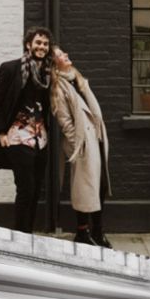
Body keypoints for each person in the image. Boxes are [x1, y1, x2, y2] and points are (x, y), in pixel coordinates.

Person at [0, 27, 54, 233]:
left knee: (35, 190)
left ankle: (27, 234)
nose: (42, 47)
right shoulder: (10, 68)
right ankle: (21, 236)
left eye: (45, 44)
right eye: (38, 42)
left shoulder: (47, 73)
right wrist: (1, 132)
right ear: (28, 45)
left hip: (41, 139)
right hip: (17, 137)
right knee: (26, 189)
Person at [52, 46, 112, 247]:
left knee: (100, 186)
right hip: (82, 143)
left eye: (64, 52)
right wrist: (78, 143)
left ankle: (97, 230)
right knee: (84, 188)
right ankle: (83, 232)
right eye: (60, 55)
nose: (66, 55)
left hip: (96, 139)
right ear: (54, 63)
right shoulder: (58, 86)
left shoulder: (77, 78)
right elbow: (64, 121)